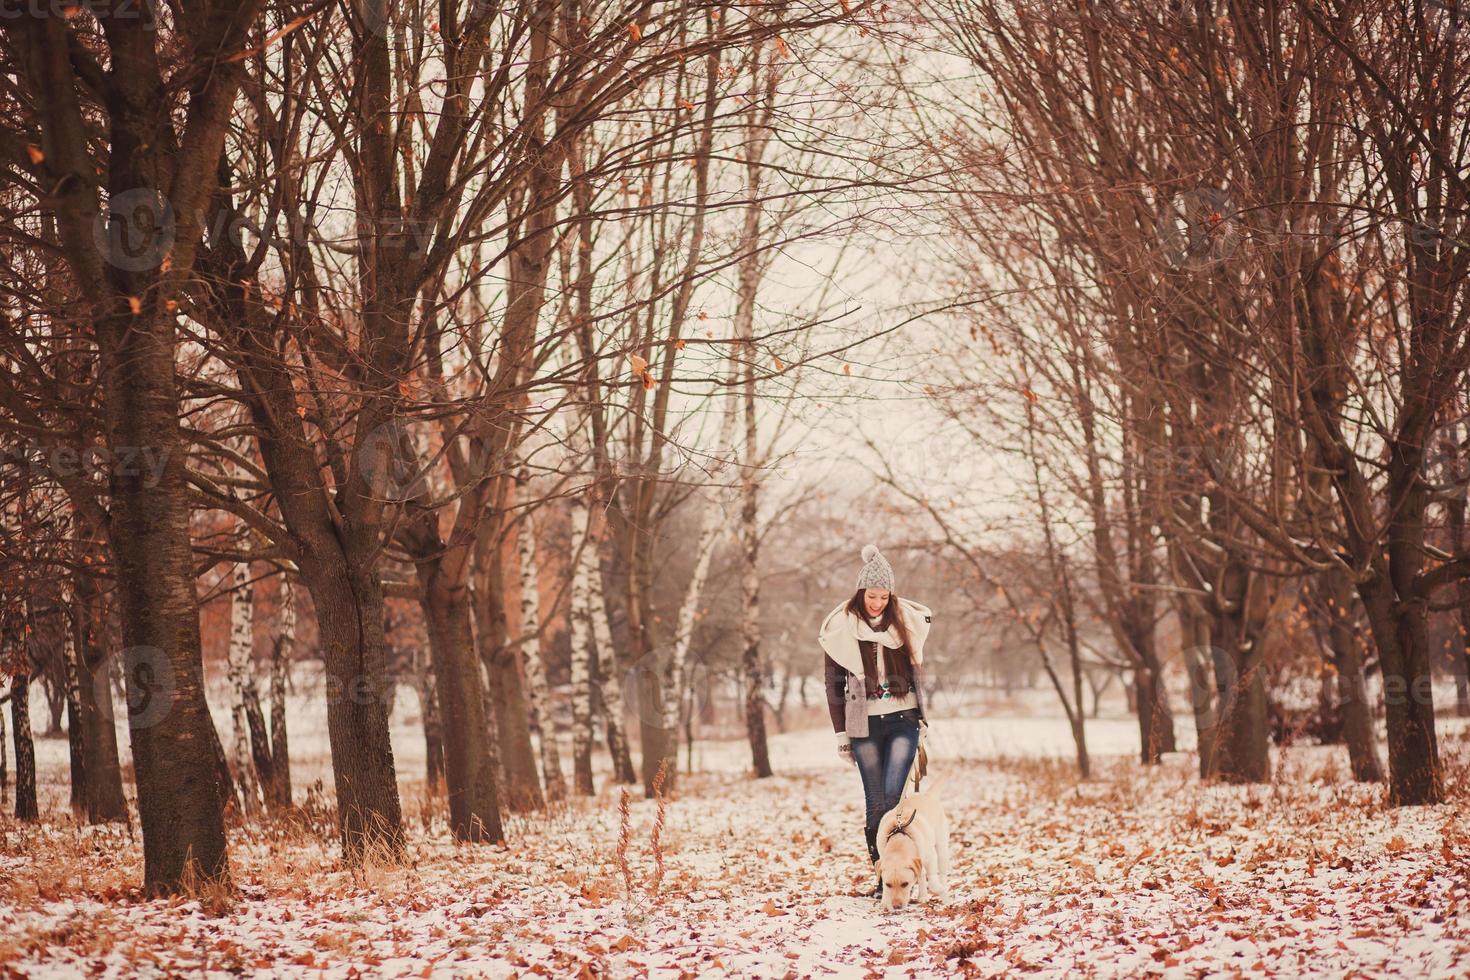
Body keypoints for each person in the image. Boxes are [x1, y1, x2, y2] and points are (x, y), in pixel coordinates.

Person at [818, 544, 933, 898]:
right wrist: (841, 733)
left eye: (884, 596)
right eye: (872, 595)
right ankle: (884, 877)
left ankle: (903, 873)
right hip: (864, 726)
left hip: (903, 720)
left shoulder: (904, 625)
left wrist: (924, 720)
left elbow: (918, 673)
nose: (878, 602)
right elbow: (832, 684)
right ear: (860, 592)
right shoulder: (841, 629)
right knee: (875, 804)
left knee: (894, 802)